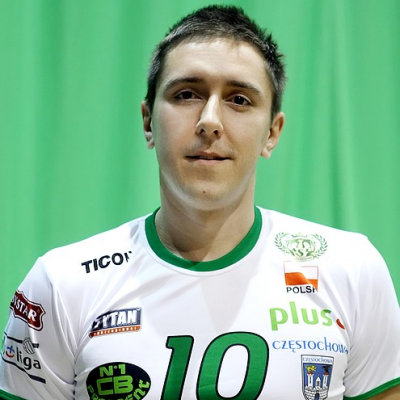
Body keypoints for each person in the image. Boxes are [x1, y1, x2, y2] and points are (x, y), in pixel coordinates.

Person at [1, 5, 399, 400]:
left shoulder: (351, 270)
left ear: (272, 133)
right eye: (187, 94)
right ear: (148, 121)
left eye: (239, 99)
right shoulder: (60, 285)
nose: (210, 120)